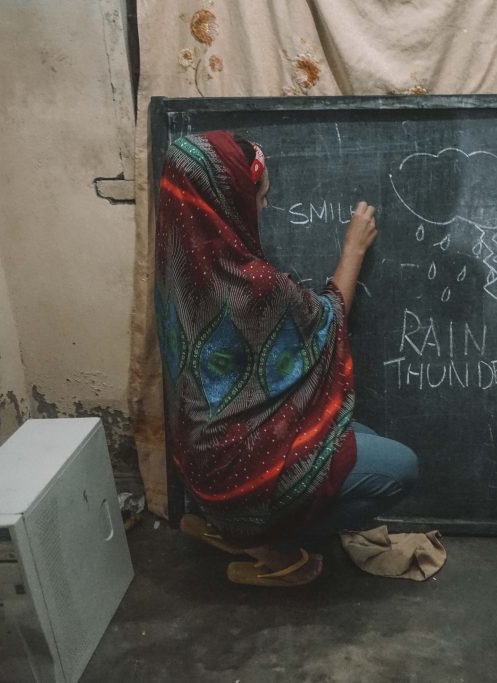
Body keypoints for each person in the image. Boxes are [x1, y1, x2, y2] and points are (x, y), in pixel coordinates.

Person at [154, 130, 418, 587]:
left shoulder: (174, 267)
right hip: (238, 470)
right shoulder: (247, 284)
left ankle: (228, 520)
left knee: (356, 432)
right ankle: (261, 543)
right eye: (259, 195)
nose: (264, 207)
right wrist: (353, 249)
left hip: (201, 457)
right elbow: (327, 321)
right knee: (399, 469)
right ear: (228, 199)